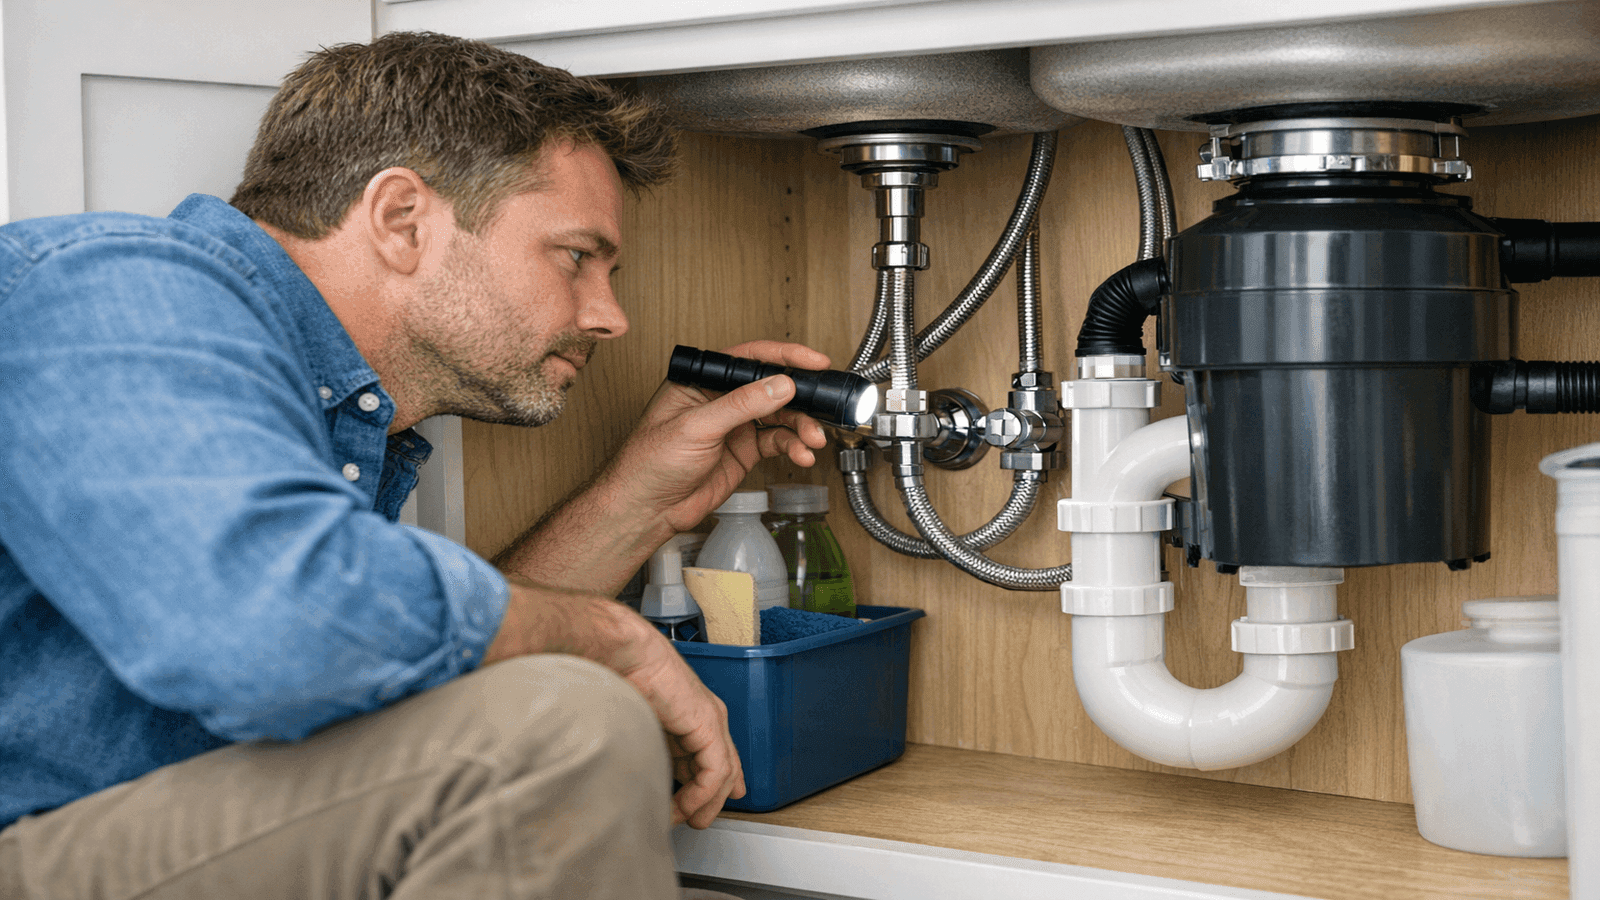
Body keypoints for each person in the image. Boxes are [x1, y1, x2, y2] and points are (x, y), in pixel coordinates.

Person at [0, 31, 830, 899]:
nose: (609, 316)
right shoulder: (111, 288)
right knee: (562, 728)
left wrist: (639, 502)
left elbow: (396, 660)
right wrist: (610, 637)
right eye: (578, 257)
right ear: (402, 219)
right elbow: (275, 629)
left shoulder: (343, 418)